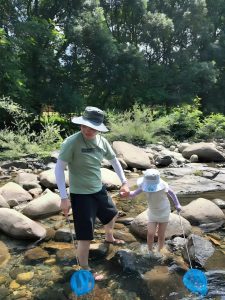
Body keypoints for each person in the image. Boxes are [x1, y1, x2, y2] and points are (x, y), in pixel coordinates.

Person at [55, 106, 130, 280]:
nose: (87, 130)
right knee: (85, 236)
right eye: (84, 126)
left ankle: (109, 237)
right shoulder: (71, 142)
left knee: (112, 213)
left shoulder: (102, 142)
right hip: (80, 195)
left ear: (98, 128)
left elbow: (114, 161)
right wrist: (63, 198)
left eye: (92, 127)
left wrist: (125, 182)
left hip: (98, 188)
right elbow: (59, 169)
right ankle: (85, 268)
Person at [122, 169, 181, 254]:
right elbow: (134, 193)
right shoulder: (144, 185)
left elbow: (172, 194)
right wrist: (127, 194)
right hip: (152, 212)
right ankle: (150, 251)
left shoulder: (163, 185)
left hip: (164, 211)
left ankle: (160, 250)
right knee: (150, 233)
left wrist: (177, 204)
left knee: (161, 233)